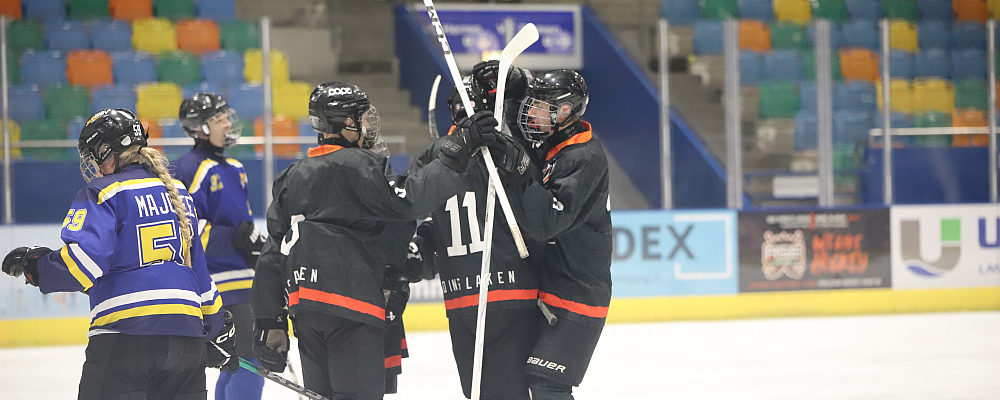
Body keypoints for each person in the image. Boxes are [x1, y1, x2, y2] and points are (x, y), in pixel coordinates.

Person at [250, 82, 502, 400]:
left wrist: (268, 318)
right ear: (347, 123)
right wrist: (456, 150)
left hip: (307, 309)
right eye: (363, 118)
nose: (368, 125)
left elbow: (273, 251)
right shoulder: (358, 165)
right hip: (350, 304)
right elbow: (409, 200)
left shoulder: (292, 176)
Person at [1, 108, 237, 400]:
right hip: (186, 345)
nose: (93, 165)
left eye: (93, 155)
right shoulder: (178, 192)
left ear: (106, 151)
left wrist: (35, 267)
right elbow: (199, 274)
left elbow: (83, 264)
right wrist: (215, 332)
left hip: (125, 339)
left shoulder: (103, 192)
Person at [406, 65, 544, 400]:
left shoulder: (433, 154)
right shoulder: (504, 147)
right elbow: (539, 199)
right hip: (512, 292)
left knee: (480, 393)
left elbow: (410, 207)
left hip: (460, 299)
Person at [493, 69, 613, 400]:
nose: (531, 114)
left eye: (538, 107)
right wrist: (512, 93)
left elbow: (548, 222)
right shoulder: (558, 145)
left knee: (548, 384)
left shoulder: (583, 156)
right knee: (532, 379)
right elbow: (525, 144)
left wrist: (517, 170)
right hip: (554, 284)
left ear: (565, 111)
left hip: (579, 290)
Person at [174, 93, 267, 400]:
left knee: (240, 362)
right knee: (251, 361)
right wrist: (234, 239)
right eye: (218, 119)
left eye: (227, 116)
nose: (228, 123)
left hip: (243, 280)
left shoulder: (236, 168)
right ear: (200, 128)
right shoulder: (187, 169)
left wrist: (254, 245)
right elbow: (184, 229)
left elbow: (243, 224)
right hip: (218, 281)